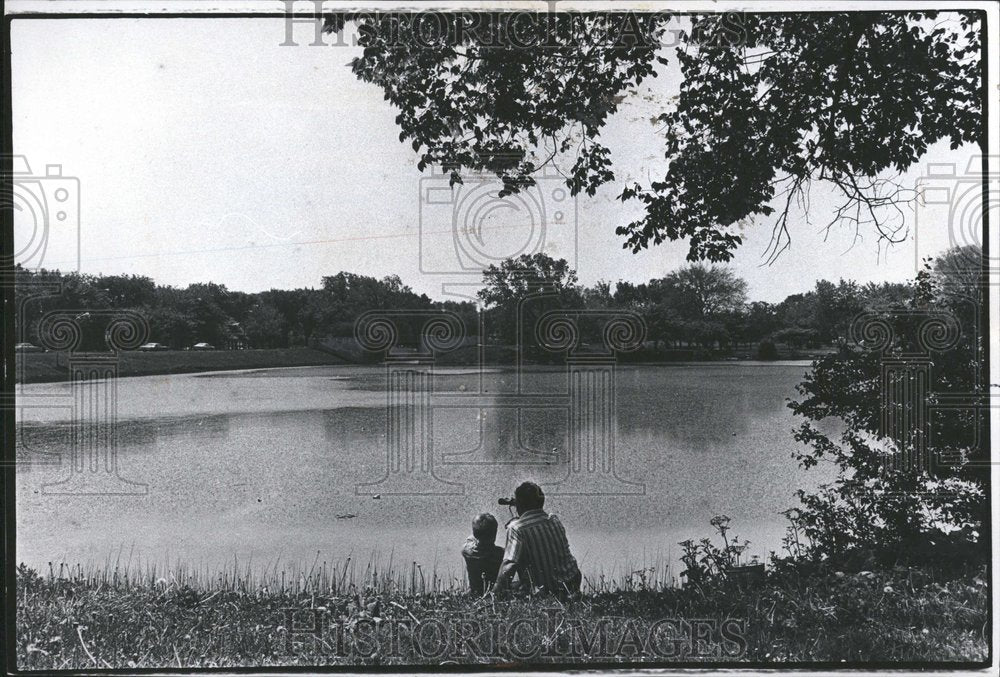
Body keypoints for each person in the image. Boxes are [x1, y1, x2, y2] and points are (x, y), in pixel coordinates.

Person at [494, 481, 581, 596]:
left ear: (519, 504)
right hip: (571, 582)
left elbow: (509, 564)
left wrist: (495, 592)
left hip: (546, 590)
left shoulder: (516, 528)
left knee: (514, 584)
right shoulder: (554, 520)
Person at [461, 512, 504, 595]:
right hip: (493, 592)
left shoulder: (467, 551)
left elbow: (471, 539)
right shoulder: (501, 554)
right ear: (495, 533)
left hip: (475, 592)